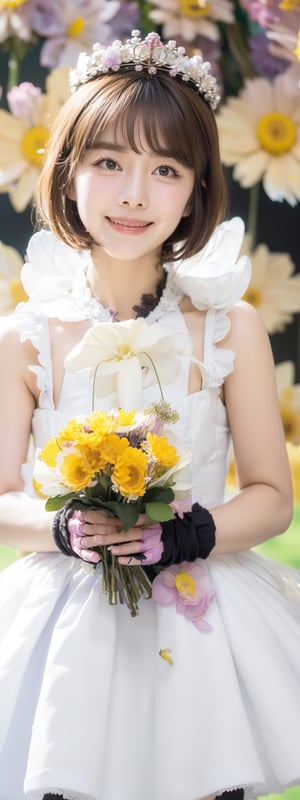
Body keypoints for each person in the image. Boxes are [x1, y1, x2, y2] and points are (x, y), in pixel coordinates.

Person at [0, 27, 299, 800]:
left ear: (198, 189)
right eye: (109, 163)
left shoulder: (228, 328)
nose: (135, 194)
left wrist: (191, 533)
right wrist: (64, 528)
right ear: (67, 177)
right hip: (67, 619)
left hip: (200, 609)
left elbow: (272, 495)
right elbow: (2, 498)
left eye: (166, 169)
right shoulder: (26, 337)